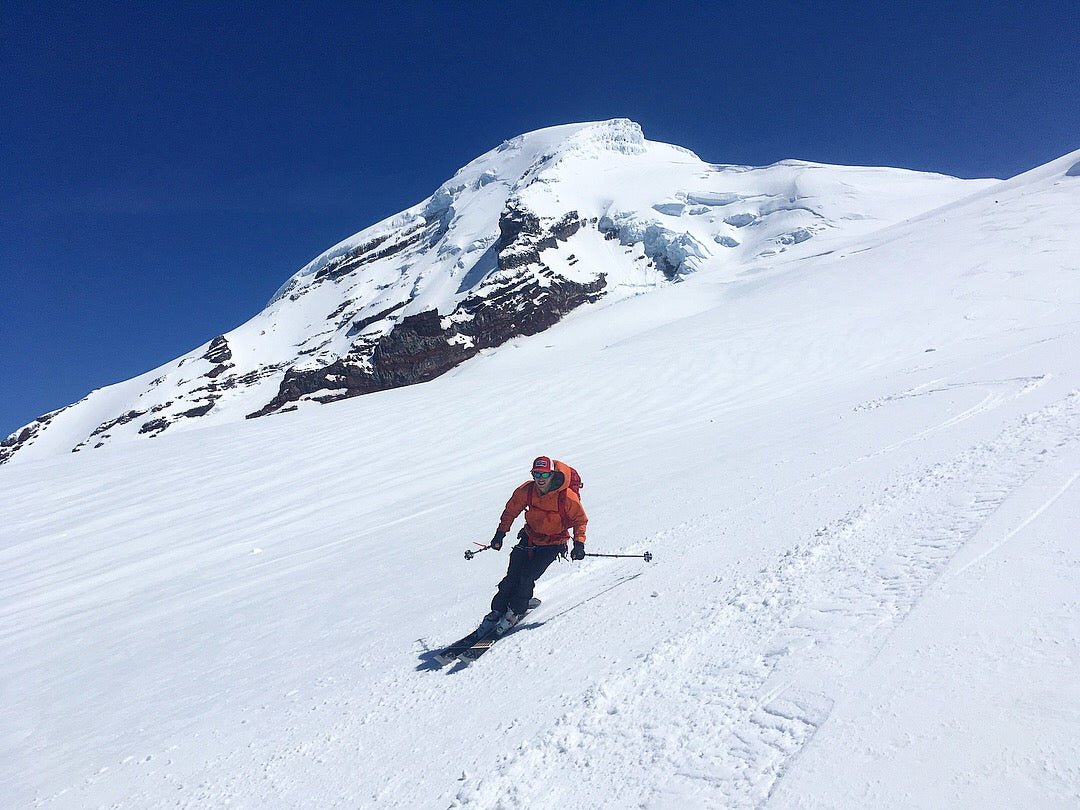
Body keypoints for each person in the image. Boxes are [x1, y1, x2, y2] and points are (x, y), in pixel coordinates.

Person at [478, 455, 588, 635]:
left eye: (544, 475)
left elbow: (580, 520)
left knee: (527, 577)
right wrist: (500, 533)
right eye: (536, 474)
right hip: (530, 538)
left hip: (554, 543)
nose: (539, 479)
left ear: (552, 475)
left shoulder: (566, 497)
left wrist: (579, 544)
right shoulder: (527, 491)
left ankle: (515, 611)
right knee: (512, 575)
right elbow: (510, 511)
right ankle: (497, 610)